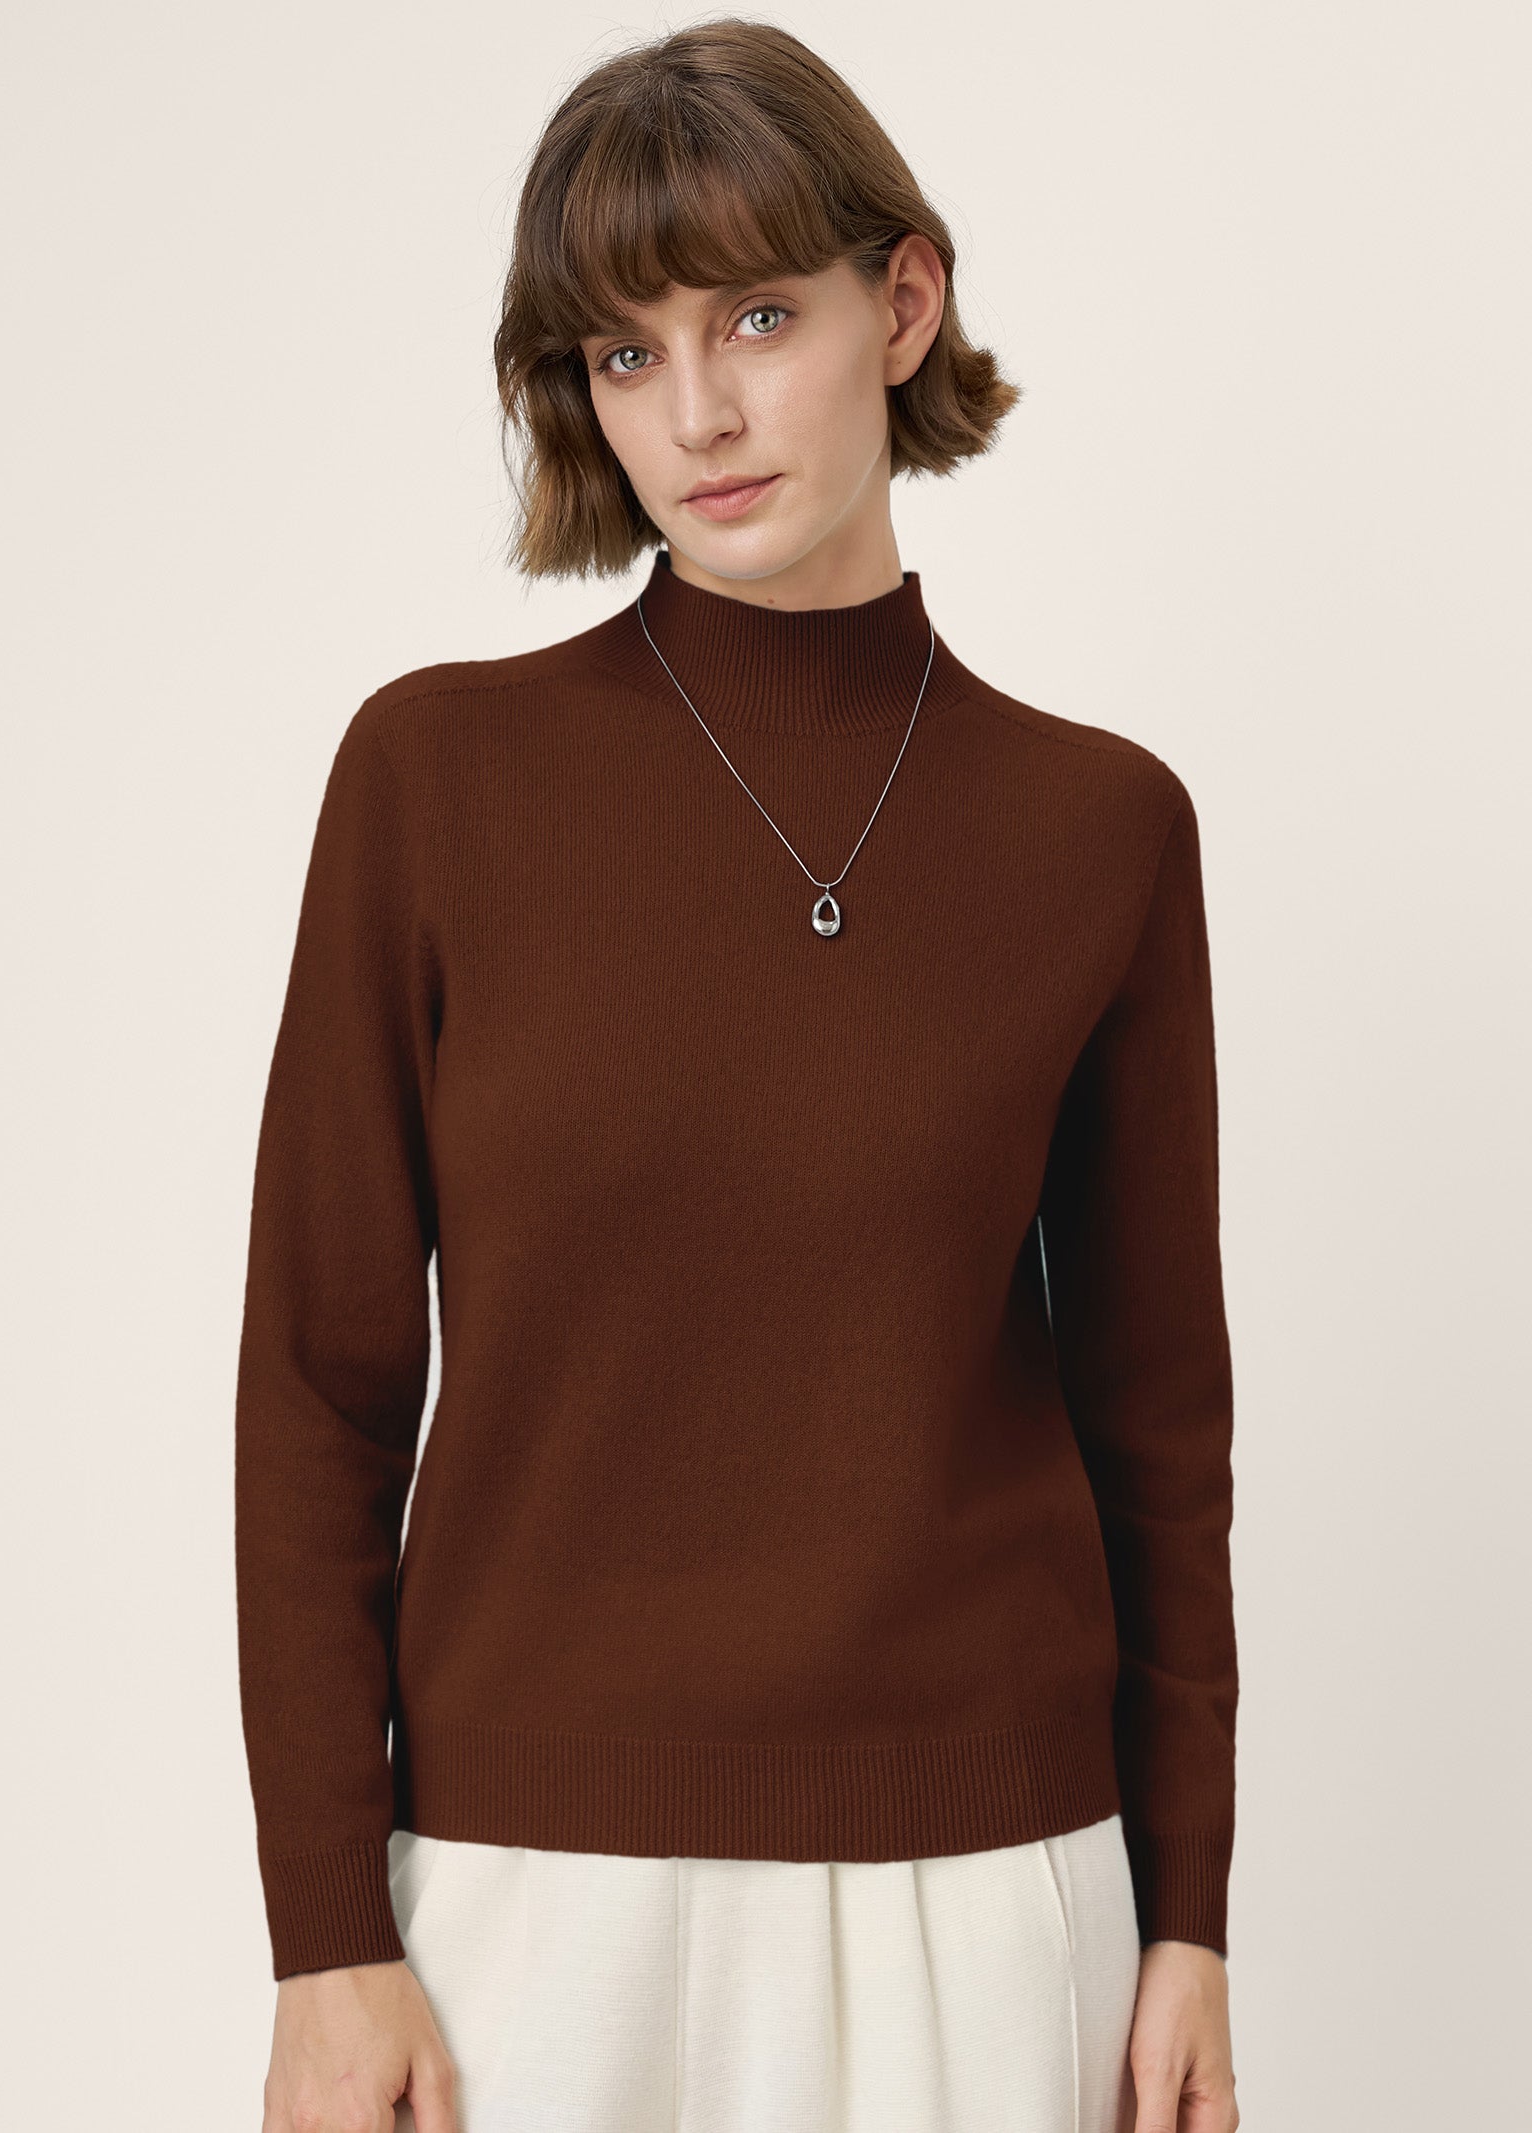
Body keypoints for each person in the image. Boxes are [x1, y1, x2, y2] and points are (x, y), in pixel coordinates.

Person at [235, 18, 1241, 2133]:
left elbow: (1160, 1425)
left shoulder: (1099, 829)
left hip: (988, 1894)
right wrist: (326, 1933)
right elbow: (322, 1388)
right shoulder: (435, 778)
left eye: (756, 317)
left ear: (904, 303)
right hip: (525, 1906)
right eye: (624, 352)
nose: (694, 411)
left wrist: (1189, 1922)